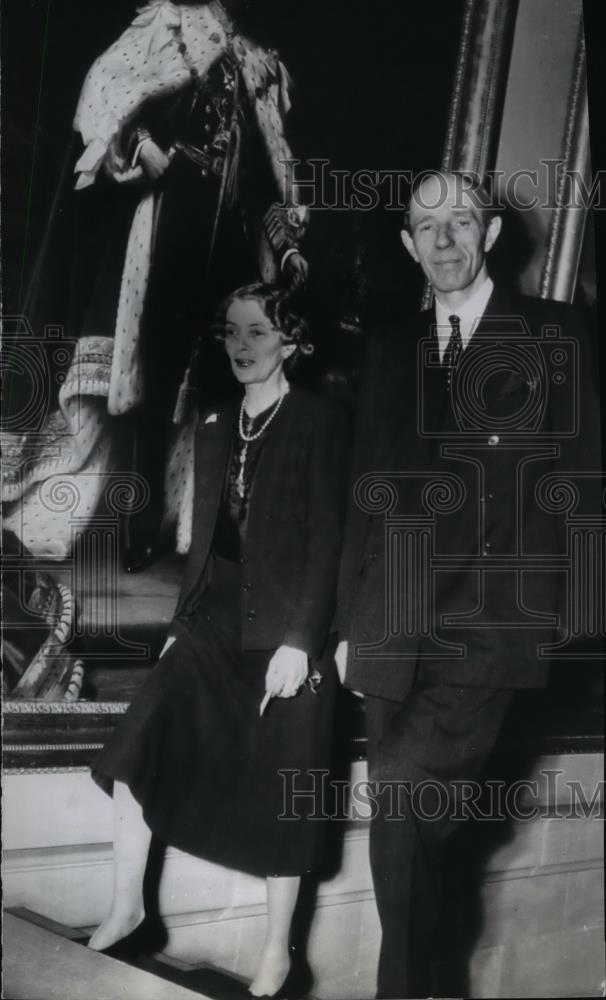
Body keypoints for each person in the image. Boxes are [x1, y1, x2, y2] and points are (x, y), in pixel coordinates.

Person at [336, 171, 601, 998]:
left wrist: (571, 612)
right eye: (426, 227)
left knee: (407, 810)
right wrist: (346, 627)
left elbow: (584, 475)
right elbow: (365, 498)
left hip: (489, 625)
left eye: (462, 222)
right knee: (412, 836)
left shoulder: (556, 334)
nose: (443, 240)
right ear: (408, 245)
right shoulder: (389, 351)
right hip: (388, 628)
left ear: (490, 235)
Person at [88, 283, 348, 999]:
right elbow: (205, 547)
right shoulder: (212, 423)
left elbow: (331, 544)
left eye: (259, 331)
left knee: (285, 798)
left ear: (291, 341)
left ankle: (275, 953)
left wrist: (303, 641)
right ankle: (126, 907)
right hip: (213, 621)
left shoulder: (321, 422)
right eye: (231, 331)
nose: (241, 344)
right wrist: (178, 631)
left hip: (292, 631)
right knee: (140, 742)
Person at [45, 0, 308, 572]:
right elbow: (108, 87)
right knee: (156, 377)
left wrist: (285, 245)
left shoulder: (254, 57)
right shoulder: (165, 24)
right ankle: (142, 526)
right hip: (169, 221)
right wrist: (140, 145)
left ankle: (203, 526)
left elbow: (265, 175)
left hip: (230, 236)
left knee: (218, 381)